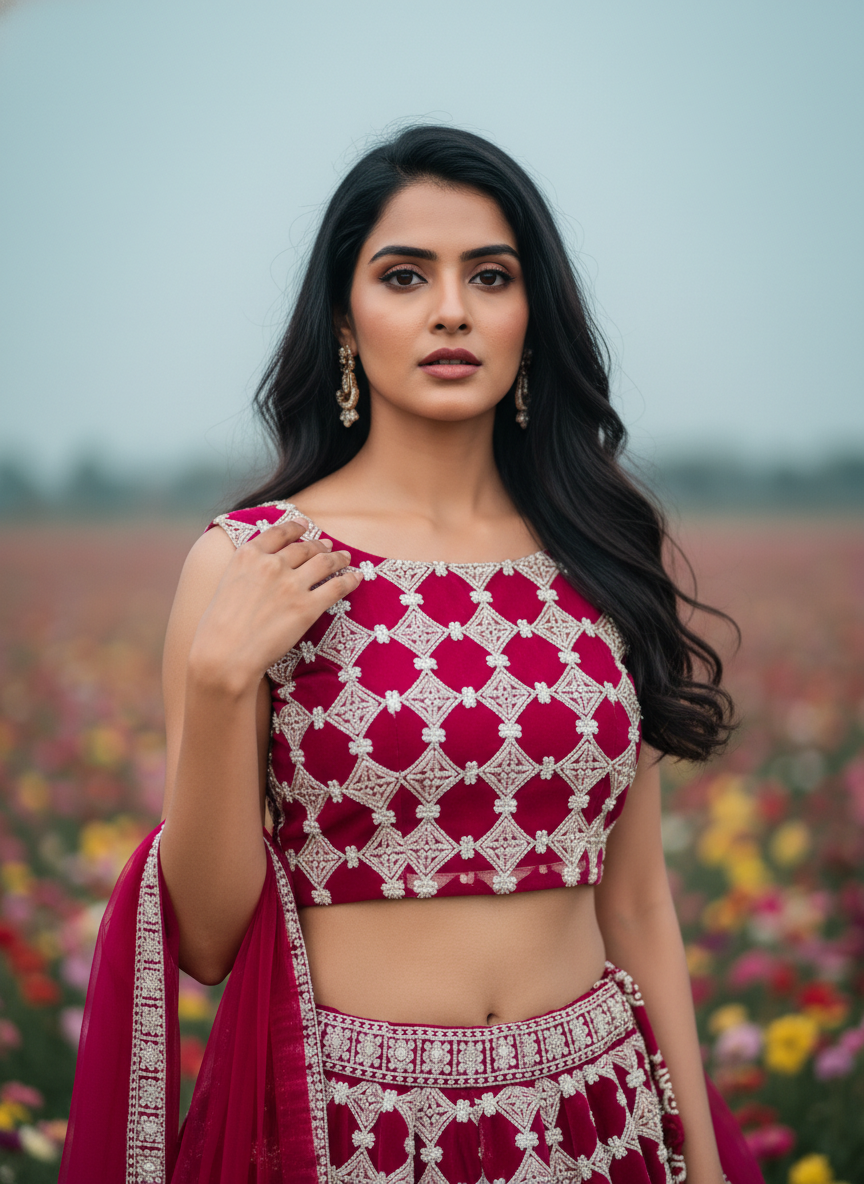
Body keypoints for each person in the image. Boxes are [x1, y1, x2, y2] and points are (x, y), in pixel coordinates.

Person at [60, 126, 763, 1184]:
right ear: (345, 317)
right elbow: (206, 940)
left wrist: (701, 1161)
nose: (452, 309)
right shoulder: (257, 562)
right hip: (353, 1129)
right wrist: (216, 687)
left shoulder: (601, 553)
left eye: (491, 275)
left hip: (601, 1117)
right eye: (404, 275)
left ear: (533, 313)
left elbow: (637, 902)